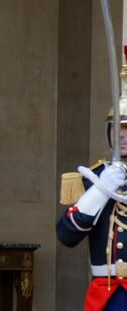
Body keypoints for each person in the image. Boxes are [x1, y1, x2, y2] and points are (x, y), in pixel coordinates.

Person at [56, 106, 127, 311]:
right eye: (116, 127)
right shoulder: (93, 179)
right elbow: (66, 235)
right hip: (108, 294)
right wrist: (101, 189)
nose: (121, 134)